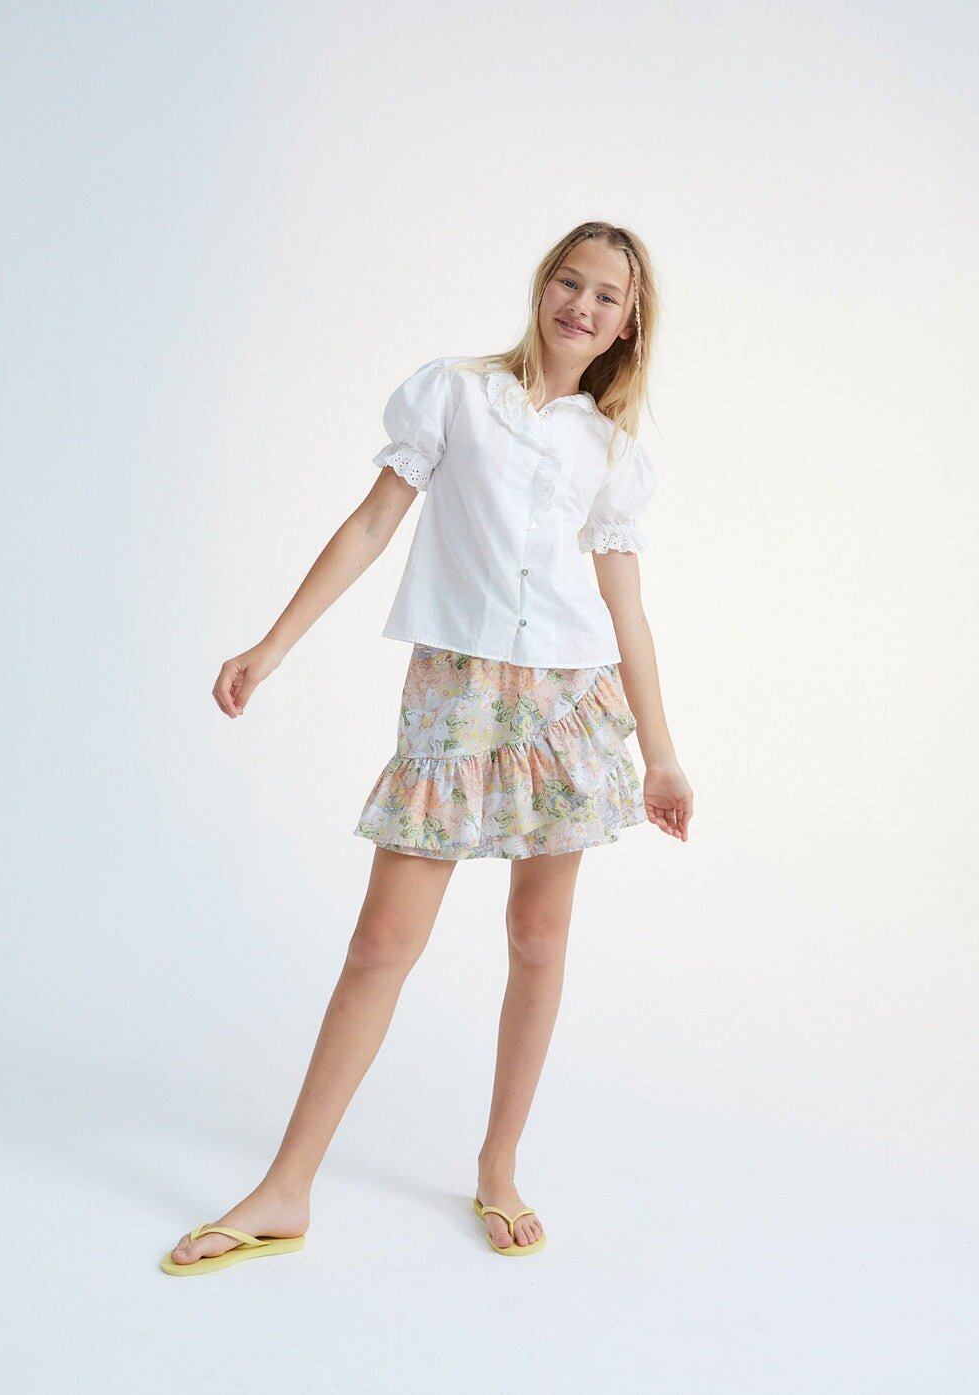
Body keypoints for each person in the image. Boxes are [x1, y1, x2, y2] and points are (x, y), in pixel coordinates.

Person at [160, 220, 693, 1275]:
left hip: (566, 708)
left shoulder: (612, 452)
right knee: (380, 945)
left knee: (537, 939)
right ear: (542, 286)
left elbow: (625, 610)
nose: (582, 306)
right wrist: (272, 645)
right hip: (453, 695)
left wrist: (663, 754)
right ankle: (286, 1188)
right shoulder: (454, 394)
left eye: (607, 297)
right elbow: (371, 525)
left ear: (629, 326)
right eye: (570, 281)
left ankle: (499, 1168)